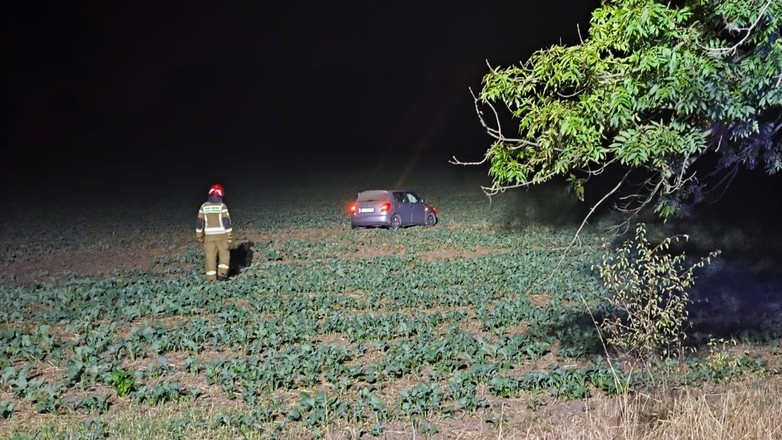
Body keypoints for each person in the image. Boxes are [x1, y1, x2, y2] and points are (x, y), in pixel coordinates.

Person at [195, 184, 233, 281]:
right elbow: (226, 221)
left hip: (209, 237)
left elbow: (199, 222)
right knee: (224, 254)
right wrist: (229, 234)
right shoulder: (222, 206)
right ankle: (222, 274)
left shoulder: (204, 206)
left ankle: (211, 278)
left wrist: (199, 235)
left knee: (210, 257)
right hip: (222, 236)